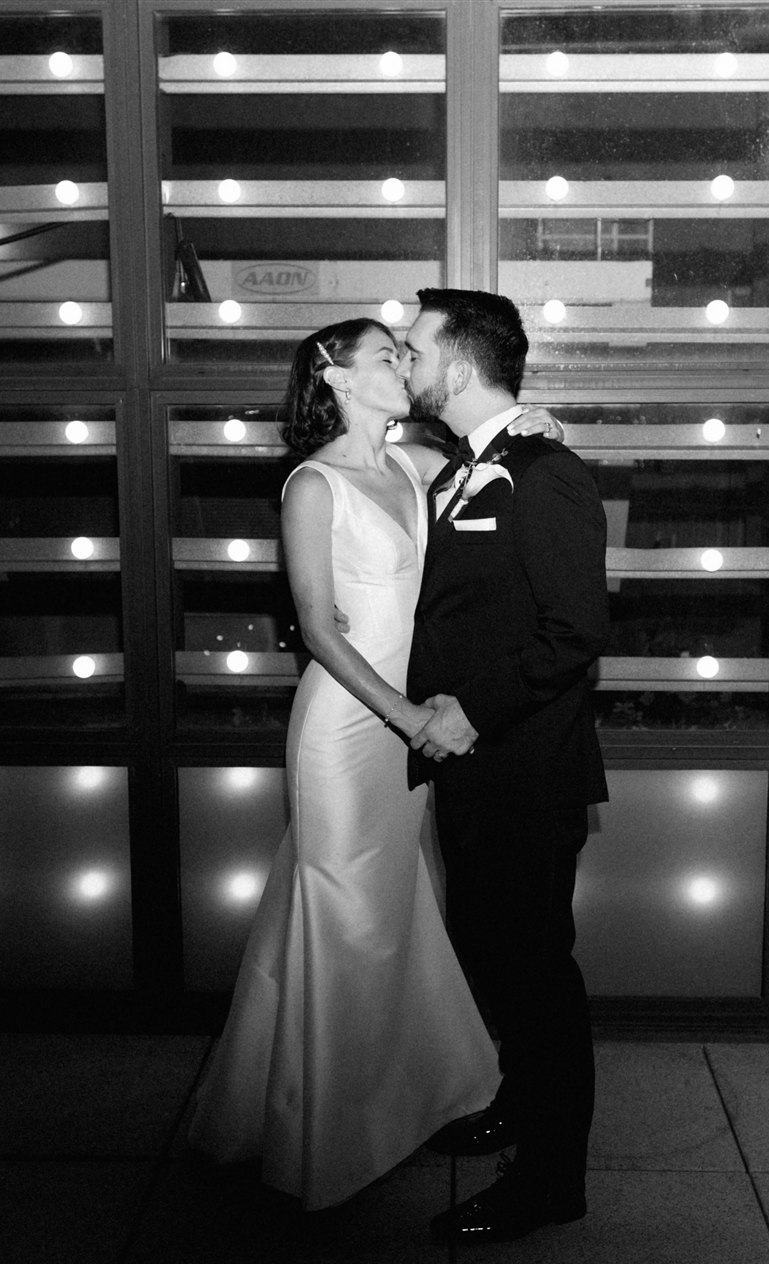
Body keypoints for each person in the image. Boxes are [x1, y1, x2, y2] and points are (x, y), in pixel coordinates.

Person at [185, 317, 564, 1211]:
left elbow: (492, 462)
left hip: (412, 733)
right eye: (386, 356)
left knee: (393, 911)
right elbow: (316, 628)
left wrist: (536, 423)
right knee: (346, 915)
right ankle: (330, 1129)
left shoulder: (415, 467)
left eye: (407, 351)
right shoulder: (311, 485)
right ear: (337, 378)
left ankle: (403, 1097)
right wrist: (404, 715)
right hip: (350, 731)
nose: (404, 366)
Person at [401, 288, 610, 1244]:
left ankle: (551, 1178)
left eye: (415, 347)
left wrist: (469, 712)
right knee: (494, 950)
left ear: (461, 362)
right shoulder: (466, 467)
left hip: (525, 770)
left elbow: (575, 630)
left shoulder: (545, 473)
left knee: (536, 972)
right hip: (474, 769)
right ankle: (519, 1106)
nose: (406, 360)